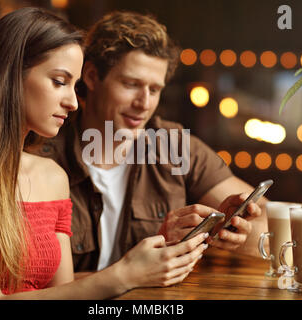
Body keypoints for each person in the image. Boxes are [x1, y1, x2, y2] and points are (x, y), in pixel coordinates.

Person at [0, 7, 208, 300]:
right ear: (10, 75)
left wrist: (147, 262)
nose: (72, 102)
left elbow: (66, 294)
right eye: (59, 81)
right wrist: (124, 274)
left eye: (74, 85)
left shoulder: (52, 177)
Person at [37, 11, 268, 273]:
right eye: (131, 84)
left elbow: (266, 221)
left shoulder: (175, 146)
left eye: (154, 90)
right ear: (91, 77)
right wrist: (141, 263)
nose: (144, 103)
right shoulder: (42, 153)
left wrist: (228, 231)